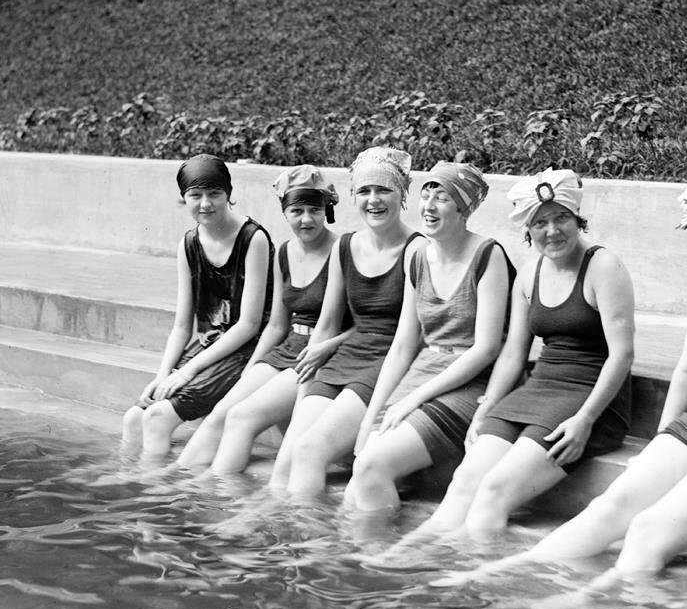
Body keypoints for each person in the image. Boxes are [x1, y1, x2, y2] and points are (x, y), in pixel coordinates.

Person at [438, 163, 687, 587]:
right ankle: (492, 575)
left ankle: (573, 607)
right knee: (608, 508)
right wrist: (663, 442)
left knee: (647, 532)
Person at [391, 168, 635, 543]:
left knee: (492, 495)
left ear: (577, 219)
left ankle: (475, 588)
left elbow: (622, 355)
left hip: (589, 397)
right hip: (536, 391)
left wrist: (585, 420)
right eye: (540, 223)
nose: (552, 231)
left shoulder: (603, 266)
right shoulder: (530, 273)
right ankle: (402, 559)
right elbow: (512, 356)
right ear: (528, 229)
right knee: (464, 482)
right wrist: (487, 407)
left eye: (561, 219)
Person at [344, 161, 515, 514]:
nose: (429, 206)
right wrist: (370, 418)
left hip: (470, 381)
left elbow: (486, 349)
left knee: (371, 468)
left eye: (443, 198)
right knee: (353, 488)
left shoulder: (488, 255)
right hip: (424, 370)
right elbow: (404, 345)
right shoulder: (419, 256)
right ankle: (369, 559)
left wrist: (411, 401)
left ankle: (381, 562)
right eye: (426, 196)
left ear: (464, 209)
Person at [268, 147, 423, 496]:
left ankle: (313, 547)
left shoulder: (417, 250)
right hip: (345, 357)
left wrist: (375, 416)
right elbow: (325, 327)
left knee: (309, 451)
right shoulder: (346, 246)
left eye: (384, 190)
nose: (374, 200)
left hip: (387, 363)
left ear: (402, 194)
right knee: (285, 459)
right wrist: (301, 405)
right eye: (364, 191)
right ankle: (280, 542)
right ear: (352, 196)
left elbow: (407, 340)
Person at [175, 165, 344, 472]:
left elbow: (347, 322)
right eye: (296, 210)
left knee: (241, 417)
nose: (306, 219)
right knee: (220, 414)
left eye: (314, 210)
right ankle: (176, 487)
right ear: (285, 212)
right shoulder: (284, 252)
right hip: (287, 347)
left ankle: (218, 495)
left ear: (326, 210)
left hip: (321, 353)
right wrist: (251, 367)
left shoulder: (344, 250)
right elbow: (278, 324)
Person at [122, 154, 273, 459]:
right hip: (206, 345)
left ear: (229, 195)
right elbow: (181, 325)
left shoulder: (252, 239)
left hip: (246, 348)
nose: (205, 204)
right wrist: (163, 374)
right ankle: (133, 485)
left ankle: (158, 501)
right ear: (184, 199)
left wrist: (187, 372)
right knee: (133, 418)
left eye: (214, 194)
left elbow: (249, 324)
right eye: (196, 196)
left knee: (156, 418)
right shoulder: (189, 244)